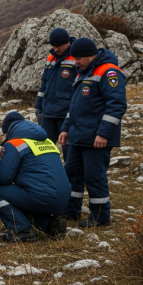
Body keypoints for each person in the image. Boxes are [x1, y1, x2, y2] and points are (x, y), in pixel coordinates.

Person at [58, 38, 127, 228]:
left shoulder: (109, 72)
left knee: (94, 177)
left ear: (91, 55)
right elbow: (75, 106)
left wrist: (104, 134)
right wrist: (65, 129)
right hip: (78, 135)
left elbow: (117, 105)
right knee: (72, 174)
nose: (76, 62)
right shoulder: (83, 71)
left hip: (96, 138)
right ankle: (71, 210)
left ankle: (100, 217)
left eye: (79, 58)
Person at [0, 112, 70, 242]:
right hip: (63, 198)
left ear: (8, 131)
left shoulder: (15, 144)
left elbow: (3, 178)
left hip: (43, 196)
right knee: (27, 191)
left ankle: (21, 230)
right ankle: (49, 224)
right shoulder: (47, 141)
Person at [35, 28, 76, 161]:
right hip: (48, 112)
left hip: (66, 113)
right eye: (53, 45)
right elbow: (44, 83)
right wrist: (38, 106)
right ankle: (46, 170)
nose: (56, 49)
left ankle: (70, 173)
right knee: (44, 147)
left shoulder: (76, 57)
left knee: (69, 150)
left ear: (67, 43)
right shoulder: (51, 58)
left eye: (59, 46)